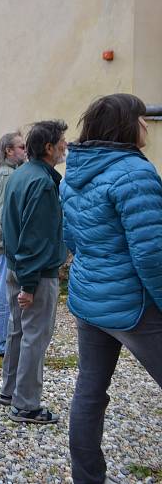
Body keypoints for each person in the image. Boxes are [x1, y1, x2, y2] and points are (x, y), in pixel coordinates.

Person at [60, 94, 162, 484]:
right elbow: (152, 254)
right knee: (89, 390)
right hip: (132, 305)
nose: (147, 126)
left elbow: (72, 237)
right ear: (126, 124)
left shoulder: (75, 173)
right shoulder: (135, 172)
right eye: (141, 119)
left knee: (90, 391)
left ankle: (87, 478)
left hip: (89, 299)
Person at [0, 120, 68, 425]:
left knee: (18, 332)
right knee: (34, 336)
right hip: (35, 274)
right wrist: (29, 284)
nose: (66, 147)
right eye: (62, 142)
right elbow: (35, 237)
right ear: (49, 147)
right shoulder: (41, 182)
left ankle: (10, 391)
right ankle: (26, 404)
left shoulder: (21, 174)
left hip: (18, 267)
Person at [0, 132, 26, 358]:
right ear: (9, 150)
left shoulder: (2, 173)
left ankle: (0, 342)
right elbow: (4, 214)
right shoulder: (7, 175)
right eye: (21, 147)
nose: (25, 151)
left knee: (3, 293)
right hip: (1, 244)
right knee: (2, 295)